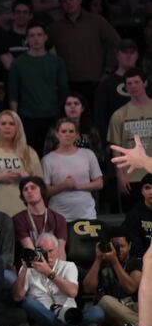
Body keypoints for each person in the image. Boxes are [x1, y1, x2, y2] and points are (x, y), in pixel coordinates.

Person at [12, 232, 104, 326]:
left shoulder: (68, 266)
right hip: (44, 315)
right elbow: (17, 297)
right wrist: (24, 268)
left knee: (98, 312)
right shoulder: (28, 270)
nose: (48, 256)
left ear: (57, 251)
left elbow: (73, 292)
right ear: (37, 251)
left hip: (69, 314)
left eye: (51, 251)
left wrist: (49, 273)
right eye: (44, 252)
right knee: (28, 302)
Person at [47, 0, 122, 102]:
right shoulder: (55, 28)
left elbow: (116, 43)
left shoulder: (97, 21)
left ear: (80, 0)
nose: (68, 3)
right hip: (68, 84)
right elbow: (43, 49)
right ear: (61, 5)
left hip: (95, 82)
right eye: (64, 1)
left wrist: (108, 71)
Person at [7, 21, 68, 154]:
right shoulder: (18, 63)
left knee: (54, 155)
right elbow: (13, 93)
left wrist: (63, 117)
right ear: (27, 39)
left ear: (46, 37)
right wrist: (16, 120)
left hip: (52, 116)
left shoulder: (57, 62)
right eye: (32, 35)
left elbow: (63, 91)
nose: (36, 39)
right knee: (30, 156)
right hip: (27, 117)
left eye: (39, 35)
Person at [83, 226, 142, 326]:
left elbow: (131, 288)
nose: (118, 250)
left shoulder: (136, 263)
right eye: (115, 246)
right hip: (109, 311)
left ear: (130, 246)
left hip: (130, 308)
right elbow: (88, 288)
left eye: (121, 246)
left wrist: (115, 262)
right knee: (105, 301)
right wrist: (98, 259)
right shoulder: (102, 262)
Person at [42, 118, 103, 222]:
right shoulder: (47, 159)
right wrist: (64, 185)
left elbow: (99, 183)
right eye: (64, 131)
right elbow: (45, 190)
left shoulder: (88, 154)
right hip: (58, 215)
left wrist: (77, 186)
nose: (68, 134)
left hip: (86, 213)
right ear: (57, 134)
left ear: (77, 134)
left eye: (71, 131)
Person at [108, 68, 152, 207]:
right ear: (125, 87)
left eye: (137, 82)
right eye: (129, 83)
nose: (133, 86)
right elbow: (116, 147)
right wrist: (120, 175)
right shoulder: (119, 114)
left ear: (145, 83)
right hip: (131, 176)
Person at [12, 176, 68, 260]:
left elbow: (60, 250)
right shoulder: (19, 219)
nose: (29, 191)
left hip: (55, 264)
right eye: (25, 189)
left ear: (42, 190)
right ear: (22, 196)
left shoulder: (59, 219)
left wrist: (58, 270)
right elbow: (30, 250)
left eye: (33, 188)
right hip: (31, 264)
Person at [95, 39, 140, 138]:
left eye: (132, 52)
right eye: (125, 52)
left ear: (137, 55)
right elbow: (100, 117)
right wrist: (106, 142)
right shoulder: (106, 85)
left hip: (144, 135)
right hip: (117, 137)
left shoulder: (147, 83)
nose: (128, 56)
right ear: (117, 55)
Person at [42, 92, 103, 162]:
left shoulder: (91, 130)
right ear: (64, 108)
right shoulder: (54, 129)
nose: (72, 106)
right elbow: (47, 155)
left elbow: (100, 157)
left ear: (82, 108)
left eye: (76, 103)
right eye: (68, 104)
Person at [0, 0, 33, 73]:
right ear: (13, 15)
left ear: (30, 16)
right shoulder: (4, 38)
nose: (21, 15)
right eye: (18, 12)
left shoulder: (36, 36)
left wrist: (15, 62)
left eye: (25, 12)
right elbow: (9, 66)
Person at [123, 173, 152, 258]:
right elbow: (136, 246)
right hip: (142, 260)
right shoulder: (134, 214)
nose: (151, 192)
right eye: (147, 188)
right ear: (142, 191)